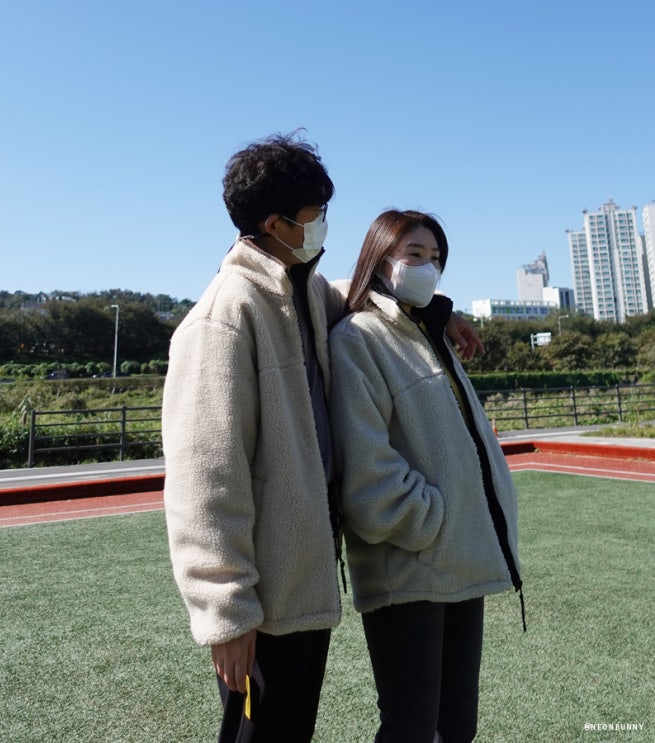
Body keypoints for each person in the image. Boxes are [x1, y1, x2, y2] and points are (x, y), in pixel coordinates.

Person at [162, 136, 485, 743]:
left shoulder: (301, 289)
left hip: (301, 583)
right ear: (275, 224)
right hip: (260, 598)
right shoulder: (222, 318)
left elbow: (353, 291)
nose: (324, 224)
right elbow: (203, 478)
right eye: (315, 213)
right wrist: (225, 612)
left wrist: (443, 312)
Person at [328, 209, 524, 743]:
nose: (427, 267)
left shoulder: (427, 332)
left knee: (457, 726)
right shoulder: (358, 339)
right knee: (411, 728)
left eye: (436, 258)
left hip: (456, 558)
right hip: (409, 569)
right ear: (380, 259)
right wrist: (430, 519)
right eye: (413, 254)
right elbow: (367, 467)